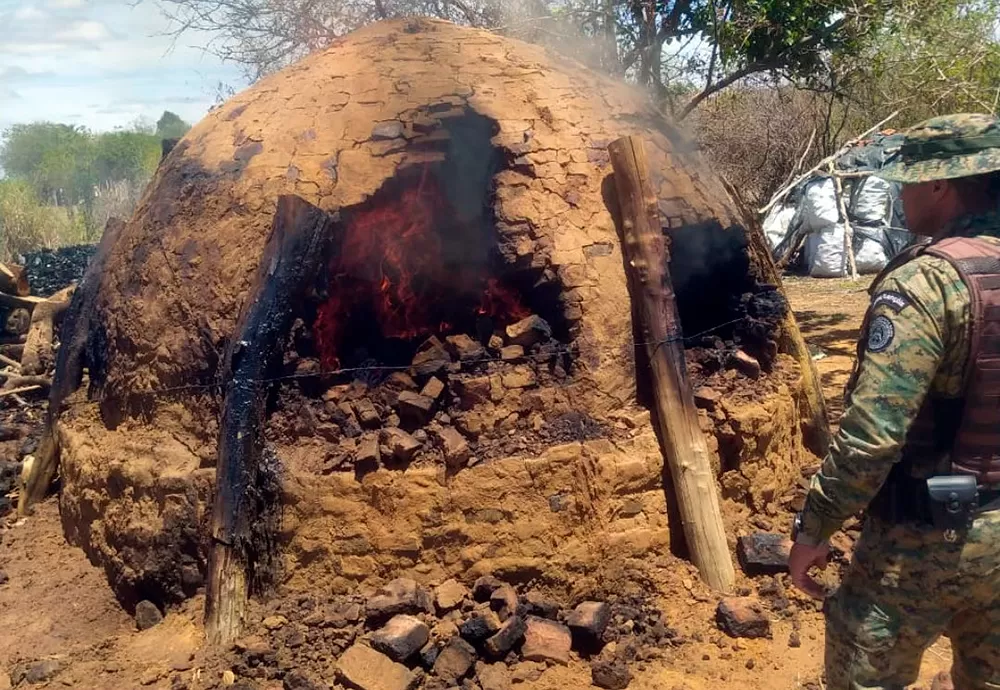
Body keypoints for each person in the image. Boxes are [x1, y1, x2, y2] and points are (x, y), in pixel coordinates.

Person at [787, 113, 1000, 690]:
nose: (902, 195)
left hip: (924, 540)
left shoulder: (928, 283)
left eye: (910, 181)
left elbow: (872, 436)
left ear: (940, 185)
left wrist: (815, 527)